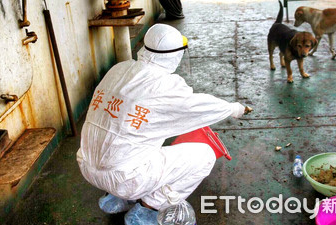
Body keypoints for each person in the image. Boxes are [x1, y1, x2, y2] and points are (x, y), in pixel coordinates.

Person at [77, 23, 250, 224]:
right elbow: (199, 106)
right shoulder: (167, 85)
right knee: (205, 156)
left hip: (87, 165)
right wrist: (234, 108)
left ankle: (116, 198)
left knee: (132, 135)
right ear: (175, 55)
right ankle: (147, 211)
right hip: (125, 178)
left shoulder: (120, 68)